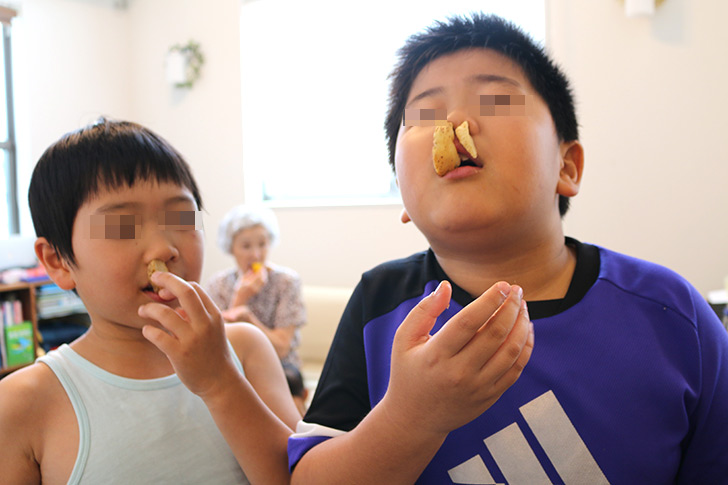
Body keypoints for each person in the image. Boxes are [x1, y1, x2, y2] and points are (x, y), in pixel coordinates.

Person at [287, 13, 728, 484]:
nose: (454, 123)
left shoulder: (671, 312)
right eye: (424, 115)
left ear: (568, 166)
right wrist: (409, 418)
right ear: (403, 195)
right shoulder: (380, 305)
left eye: (494, 100)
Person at [0, 119, 300, 484]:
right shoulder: (22, 402)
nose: (163, 248)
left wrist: (220, 381)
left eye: (181, 217)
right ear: (57, 261)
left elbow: (300, 478)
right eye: (123, 226)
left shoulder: (245, 351)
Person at [207, 205, 306, 370]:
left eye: (262, 244)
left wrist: (249, 319)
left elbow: (281, 349)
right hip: (234, 366)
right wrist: (240, 299)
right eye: (246, 246)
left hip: (281, 368)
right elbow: (215, 345)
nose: (256, 255)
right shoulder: (217, 284)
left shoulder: (287, 281)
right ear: (231, 248)